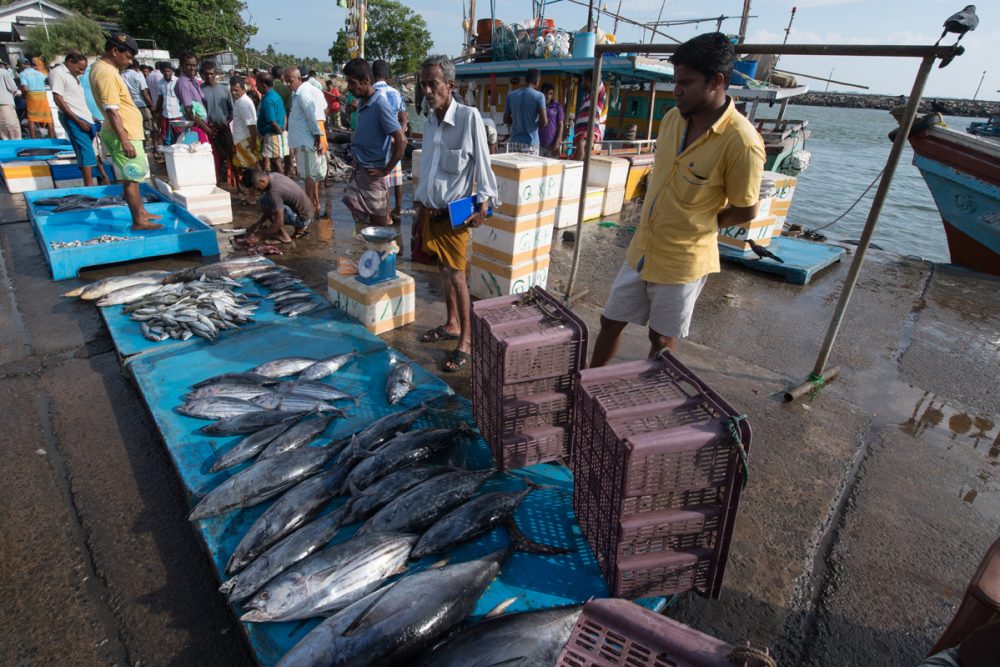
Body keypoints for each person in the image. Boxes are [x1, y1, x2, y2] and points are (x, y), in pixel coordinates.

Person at [590, 32, 764, 366]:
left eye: (686, 82)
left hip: (684, 259)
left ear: (717, 81)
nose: (677, 90)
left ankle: (649, 402)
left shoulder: (742, 142)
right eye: (675, 81)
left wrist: (707, 223)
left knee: (661, 340)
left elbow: (746, 209)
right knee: (610, 321)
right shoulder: (671, 120)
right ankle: (587, 385)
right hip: (642, 248)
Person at [414, 55, 497, 373]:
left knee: (458, 275)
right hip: (431, 211)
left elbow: (484, 166)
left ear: (450, 85)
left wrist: (485, 203)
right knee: (443, 271)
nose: (427, 90)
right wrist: (420, 201)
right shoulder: (431, 119)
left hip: (457, 211)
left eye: (432, 84)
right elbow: (431, 167)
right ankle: (451, 324)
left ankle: (466, 340)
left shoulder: (468, 117)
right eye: (423, 84)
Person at [89, 32, 163, 231]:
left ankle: (142, 213)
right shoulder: (105, 72)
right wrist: (125, 140)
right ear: (115, 51)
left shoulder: (106, 69)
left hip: (129, 132)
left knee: (135, 176)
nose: (129, 62)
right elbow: (112, 110)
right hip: (124, 134)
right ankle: (138, 221)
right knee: (130, 178)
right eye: (127, 56)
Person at [342, 58, 406, 227]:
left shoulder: (379, 104)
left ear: (366, 81)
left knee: (380, 223)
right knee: (362, 216)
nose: (349, 88)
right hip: (361, 169)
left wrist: (386, 170)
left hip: (373, 173)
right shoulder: (364, 102)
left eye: (352, 83)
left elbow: (401, 140)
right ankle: (374, 251)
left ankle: (385, 251)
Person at [49, 51, 98, 186]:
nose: (82, 72)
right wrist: (77, 120)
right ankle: (89, 188)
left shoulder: (73, 75)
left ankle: (90, 184)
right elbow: (58, 99)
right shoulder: (58, 73)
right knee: (85, 151)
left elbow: (76, 99)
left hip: (84, 117)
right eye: (80, 68)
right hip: (74, 118)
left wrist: (90, 117)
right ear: (70, 62)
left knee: (88, 152)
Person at [283, 66, 325, 221]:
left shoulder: (303, 94)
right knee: (310, 175)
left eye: (291, 81)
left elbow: (312, 116)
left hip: (307, 142)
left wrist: (317, 135)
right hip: (303, 141)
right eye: (286, 81)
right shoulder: (298, 93)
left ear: (299, 79)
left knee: (309, 176)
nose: (288, 84)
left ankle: (310, 208)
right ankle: (313, 206)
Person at [372, 59, 409, 223]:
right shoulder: (395, 93)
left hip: (379, 142)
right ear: (387, 75)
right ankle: (398, 209)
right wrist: (400, 132)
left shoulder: (371, 92)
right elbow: (403, 116)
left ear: (373, 75)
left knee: (383, 177)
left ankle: (386, 213)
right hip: (395, 140)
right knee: (397, 175)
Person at [244, 167, 315, 243]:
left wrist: (259, 236)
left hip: (304, 218)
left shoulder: (274, 191)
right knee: (265, 200)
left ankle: (284, 236)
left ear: (262, 181)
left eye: (257, 188)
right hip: (307, 211)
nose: (257, 191)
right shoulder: (273, 175)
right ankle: (298, 228)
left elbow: (279, 222)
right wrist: (260, 222)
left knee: (266, 202)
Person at [200, 60, 234, 184]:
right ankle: (217, 181)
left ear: (216, 74)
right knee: (214, 156)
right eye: (206, 74)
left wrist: (227, 121)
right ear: (203, 74)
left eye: (211, 74)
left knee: (231, 154)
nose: (209, 76)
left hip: (224, 128)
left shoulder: (224, 90)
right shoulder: (200, 90)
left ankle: (236, 184)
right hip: (209, 129)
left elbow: (232, 109)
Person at [503, 68, 547, 155]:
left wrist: (516, 121)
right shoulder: (539, 96)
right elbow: (544, 122)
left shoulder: (511, 95)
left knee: (515, 168)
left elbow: (506, 119)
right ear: (536, 81)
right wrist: (532, 123)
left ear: (525, 79)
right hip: (530, 143)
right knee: (530, 168)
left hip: (514, 142)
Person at [230, 76, 259, 200]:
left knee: (251, 169)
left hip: (245, 140)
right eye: (232, 90)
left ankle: (252, 196)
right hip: (243, 140)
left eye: (236, 90)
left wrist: (252, 143)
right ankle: (253, 194)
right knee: (252, 168)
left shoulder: (243, 103)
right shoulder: (242, 101)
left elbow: (251, 125)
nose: (234, 93)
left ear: (243, 89)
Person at [175, 52, 212, 144]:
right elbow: (189, 111)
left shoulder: (194, 80)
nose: (192, 68)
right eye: (188, 65)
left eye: (194, 65)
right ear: (182, 65)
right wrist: (206, 129)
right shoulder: (183, 83)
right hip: (195, 128)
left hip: (201, 125)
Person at [122, 60, 157, 156]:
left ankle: (142, 150)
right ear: (137, 67)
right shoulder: (138, 75)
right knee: (153, 128)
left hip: (130, 106)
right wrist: (151, 105)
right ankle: (155, 149)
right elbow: (144, 92)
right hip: (142, 105)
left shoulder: (122, 75)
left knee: (137, 130)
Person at [572, 68, 608, 160]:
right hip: (580, 132)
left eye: (584, 80)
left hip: (589, 131)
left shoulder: (599, 96)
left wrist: (595, 72)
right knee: (576, 153)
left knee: (581, 144)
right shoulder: (587, 97)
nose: (582, 83)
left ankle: (580, 171)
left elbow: (598, 81)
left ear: (590, 80)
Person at [256, 72, 286, 174]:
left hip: (272, 134)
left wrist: (279, 133)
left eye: (257, 84)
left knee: (276, 162)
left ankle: (283, 185)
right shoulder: (276, 95)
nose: (256, 86)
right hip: (276, 133)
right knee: (274, 163)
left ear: (263, 85)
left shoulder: (268, 99)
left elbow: (272, 121)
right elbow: (284, 115)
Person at [18, 57, 53, 138]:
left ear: (22, 65)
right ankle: (52, 138)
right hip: (43, 96)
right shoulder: (41, 73)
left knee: (32, 119)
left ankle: (33, 139)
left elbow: (25, 88)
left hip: (32, 96)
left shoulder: (22, 74)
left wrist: (23, 94)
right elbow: (47, 83)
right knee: (48, 119)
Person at [155, 63, 182, 145]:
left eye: (168, 71)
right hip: (166, 114)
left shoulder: (178, 81)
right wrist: (156, 111)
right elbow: (160, 98)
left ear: (172, 71)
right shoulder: (160, 83)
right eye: (164, 71)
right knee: (166, 136)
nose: (166, 73)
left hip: (177, 113)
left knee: (179, 134)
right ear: (161, 72)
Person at [538, 82, 564, 157]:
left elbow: (560, 126)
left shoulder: (557, 107)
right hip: (538, 145)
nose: (548, 96)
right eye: (546, 93)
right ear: (541, 93)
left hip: (552, 146)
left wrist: (556, 143)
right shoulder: (537, 105)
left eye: (550, 93)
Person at [0, 60, 21, 139]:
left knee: (2, 128)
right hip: (6, 102)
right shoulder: (4, 72)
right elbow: (13, 87)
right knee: (11, 126)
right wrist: (16, 91)